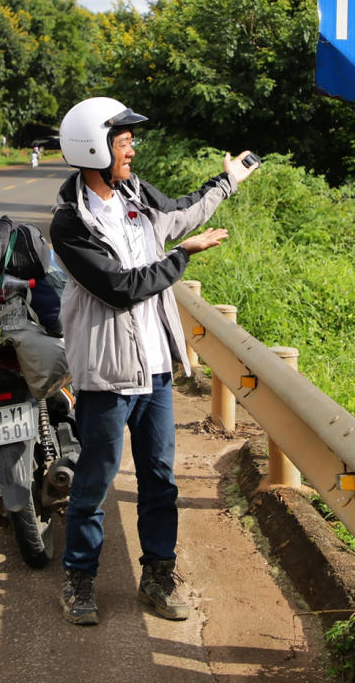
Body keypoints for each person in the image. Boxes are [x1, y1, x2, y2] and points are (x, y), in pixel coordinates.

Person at [48, 96, 259, 627]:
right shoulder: (69, 225)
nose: (132, 151)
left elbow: (181, 212)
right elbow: (121, 289)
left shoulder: (135, 195)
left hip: (157, 369)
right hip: (107, 375)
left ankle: (159, 577)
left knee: (160, 479)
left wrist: (226, 180)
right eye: (123, 143)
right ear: (93, 148)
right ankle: (79, 580)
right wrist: (184, 255)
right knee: (94, 482)